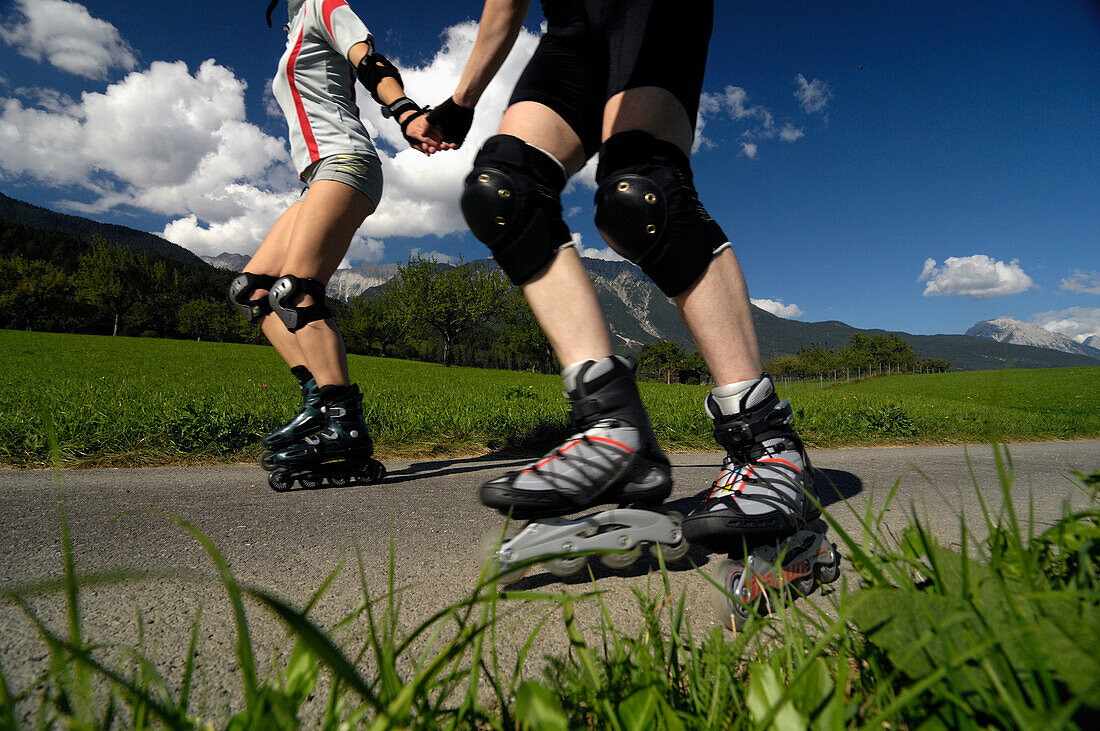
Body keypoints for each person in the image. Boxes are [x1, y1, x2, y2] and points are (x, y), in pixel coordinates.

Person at [426, 0, 819, 551]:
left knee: (641, 195)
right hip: (573, 26)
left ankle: (766, 440)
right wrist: (461, 101)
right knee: (503, 190)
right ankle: (612, 426)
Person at [229, 0, 440, 489]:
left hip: (347, 160)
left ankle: (345, 427)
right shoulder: (293, 27)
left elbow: (369, 60)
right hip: (318, 174)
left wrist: (405, 112)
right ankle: (320, 406)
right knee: (252, 292)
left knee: (296, 290)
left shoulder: (326, 5)